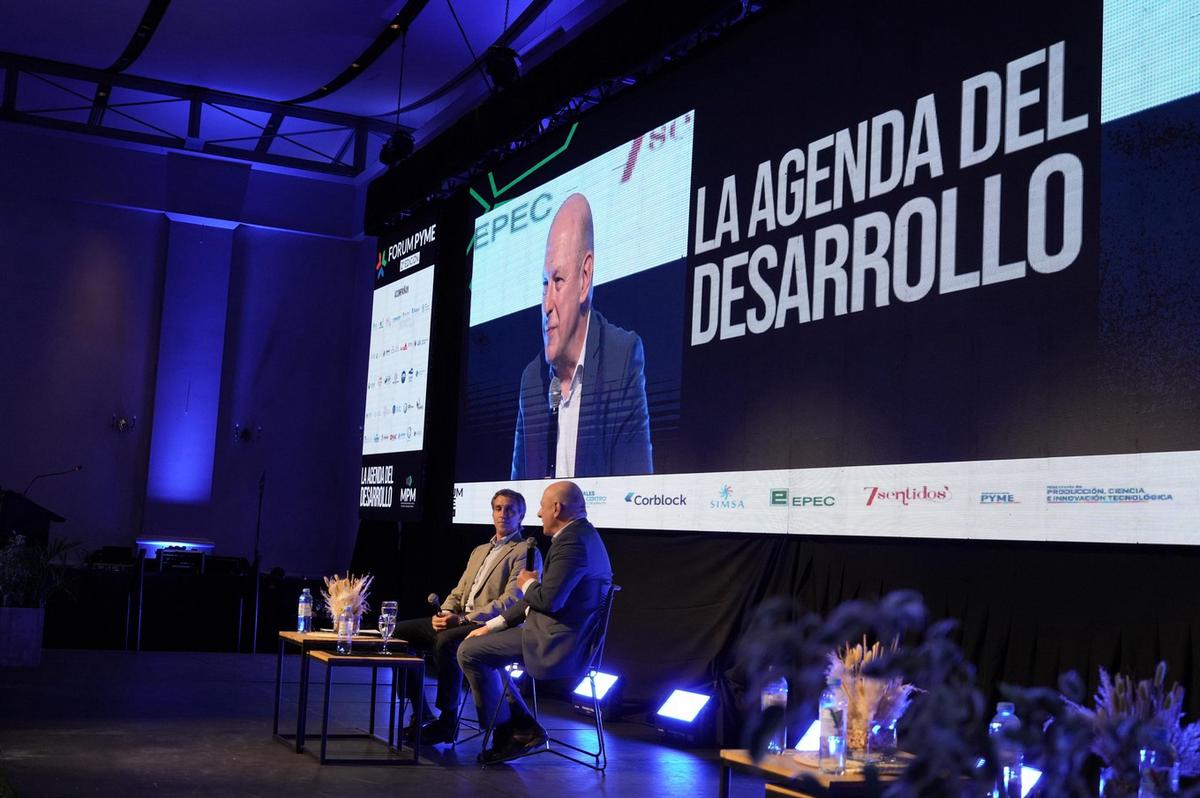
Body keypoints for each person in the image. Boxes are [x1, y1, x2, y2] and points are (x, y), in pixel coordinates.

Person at [458, 480, 613, 763]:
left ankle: (511, 733)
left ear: (556, 508)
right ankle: (522, 727)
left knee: (468, 652)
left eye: (542, 507)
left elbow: (547, 600)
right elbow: (540, 600)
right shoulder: (581, 536)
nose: (540, 514)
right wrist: (492, 626)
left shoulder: (573, 542)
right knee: (484, 645)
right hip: (552, 632)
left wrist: (529, 584)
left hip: (557, 642)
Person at [511, 193, 653, 480]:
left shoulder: (621, 358)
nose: (547, 304)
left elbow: (635, 493)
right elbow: (516, 497)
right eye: (544, 284)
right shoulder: (532, 380)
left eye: (558, 281)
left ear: (585, 277)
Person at [391, 489, 542, 745]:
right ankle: (421, 711)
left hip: (489, 626)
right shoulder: (479, 550)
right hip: (458, 620)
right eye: (498, 509)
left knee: (446, 641)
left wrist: (462, 620)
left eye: (510, 510)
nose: (503, 514)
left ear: (521, 516)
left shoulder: (524, 552)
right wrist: (447, 611)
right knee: (398, 633)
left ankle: (447, 721)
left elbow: (511, 600)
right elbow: (460, 590)